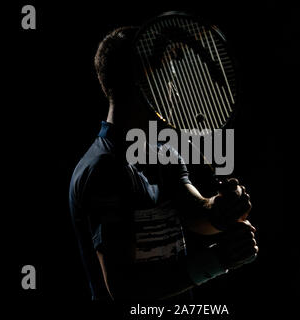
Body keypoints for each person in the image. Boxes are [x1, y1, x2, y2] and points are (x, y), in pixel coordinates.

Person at [69, 26, 258, 301]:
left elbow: (196, 213)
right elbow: (124, 289)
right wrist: (219, 260)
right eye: (167, 79)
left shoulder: (162, 153)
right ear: (141, 82)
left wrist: (222, 209)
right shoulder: (103, 170)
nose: (175, 94)